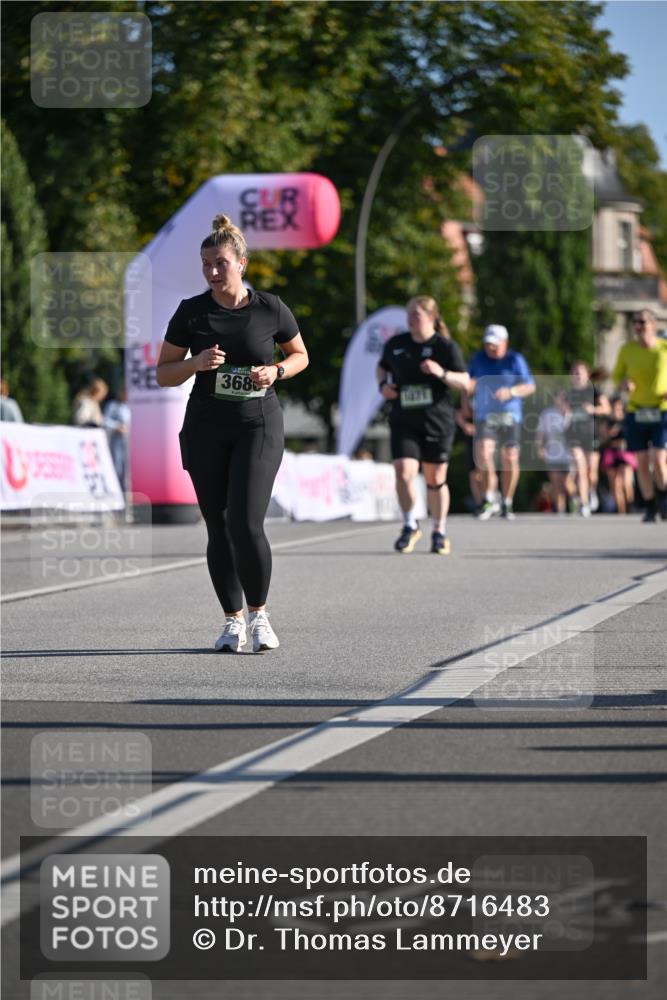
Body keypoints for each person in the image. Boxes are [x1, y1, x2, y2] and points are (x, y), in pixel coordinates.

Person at [156, 214, 308, 651]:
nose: (212, 272)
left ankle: (260, 616)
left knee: (245, 522)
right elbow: (164, 373)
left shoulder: (271, 308)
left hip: (258, 424)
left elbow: (300, 356)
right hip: (206, 427)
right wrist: (195, 364)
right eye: (206, 264)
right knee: (218, 528)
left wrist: (276, 370)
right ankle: (232, 620)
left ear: (242, 262)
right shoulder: (192, 312)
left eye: (220, 262)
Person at [376, 295, 469, 554]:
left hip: (437, 422)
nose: (410, 319)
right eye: (409, 315)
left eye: (416, 314)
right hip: (404, 419)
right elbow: (381, 368)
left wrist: (441, 372)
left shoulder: (445, 347)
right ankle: (409, 524)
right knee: (403, 472)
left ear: (430, 317)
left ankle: (439, 530)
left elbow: (465, 381)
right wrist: (383, 386)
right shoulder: (396, 344)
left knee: (435, 479)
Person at [467, 325, 535, 520]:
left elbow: (530, 386)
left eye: (495, 345)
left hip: (510, 416)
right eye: (488, 344)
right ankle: (489, 497)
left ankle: (507, 501)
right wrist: (467, 395)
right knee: (483, 453)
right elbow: (469, 382)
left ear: (505, 343)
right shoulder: (478, 358)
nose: (491, 348)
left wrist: (511, 392)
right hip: (485, 416)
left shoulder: (515, 360)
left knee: (510, 458)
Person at [611, 308, 667, 522]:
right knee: (642, 461)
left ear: (653, 324)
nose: (638, 326)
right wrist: (624, 383)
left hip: (661, 409)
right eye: (636, 322)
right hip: (637, 410)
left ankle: (664, 499)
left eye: (642, 321)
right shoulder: (627, 350)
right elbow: (616, 376)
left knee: (660, 460)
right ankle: (650, 505)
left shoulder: (664, 348)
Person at [536, 393, 574, 514]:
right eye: (558, 396)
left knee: (567, 482)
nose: (560, 399)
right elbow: (540, 433)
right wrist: (540, 447)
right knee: (556, 482)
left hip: (569, 455)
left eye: (563, 397)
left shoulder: (572, 413)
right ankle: (560, 510)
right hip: (553, 454)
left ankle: (576, 502)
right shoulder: (547, 414)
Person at [599, 397, 637, 514]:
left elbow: (635, 437)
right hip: (612, 453)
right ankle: (621, 511)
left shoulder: (627, 421)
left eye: (619, 407)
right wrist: (608, 434)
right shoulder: (607, 423)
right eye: (614, 407)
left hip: (626, 453)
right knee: (615, 484)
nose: (617, 410)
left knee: (626, 482)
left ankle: (630, 507)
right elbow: (603, 440)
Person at [104, 386, 131, 491]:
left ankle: (128, 497)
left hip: (130, 441)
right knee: (117, 468)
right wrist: (116, 426)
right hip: (117, 441)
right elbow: (105, 420)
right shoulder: (113, 406)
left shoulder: (130, 406)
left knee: (128, 472)